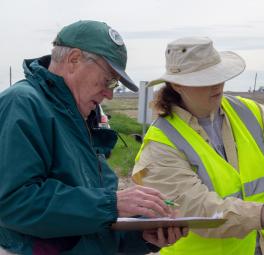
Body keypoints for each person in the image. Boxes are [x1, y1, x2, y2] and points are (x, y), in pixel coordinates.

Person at [132, 37, 264, 254]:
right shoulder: (160, 143)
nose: (217, 85)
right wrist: (260, 215)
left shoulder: (249, 112)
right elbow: (194, 208)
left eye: (218, 76)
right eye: (204, 79)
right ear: (177, 85)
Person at [0, 20, 188, 255]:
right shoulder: (22, 103)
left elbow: (91, 222)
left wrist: (143, 236)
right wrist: (112, 204)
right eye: (108, 79)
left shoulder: (82, 116)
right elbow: (13, 202)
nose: (109, 92)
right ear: (74, 60)